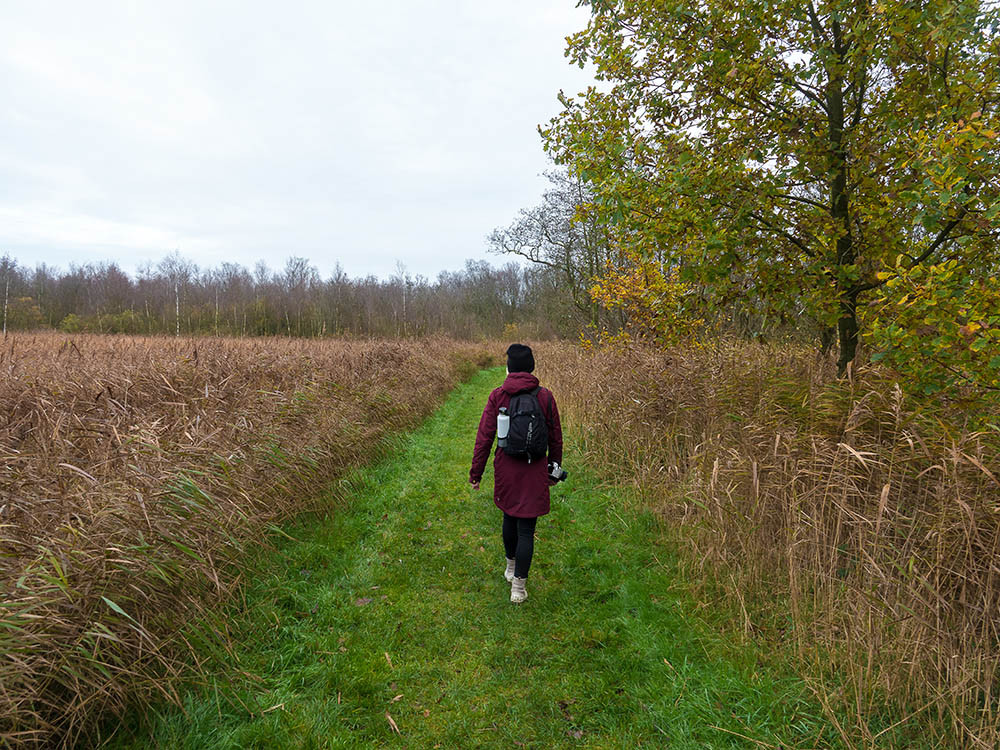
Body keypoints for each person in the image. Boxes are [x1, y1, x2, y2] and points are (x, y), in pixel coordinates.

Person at [469, 343, 563, 603]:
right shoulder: (545, 396)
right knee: (527, 529)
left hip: (507, 468)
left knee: (509, 517)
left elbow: (485, 437)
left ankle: (510, 566)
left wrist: (476, 472)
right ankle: (519, 588)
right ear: (531, 367)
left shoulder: (498, 395)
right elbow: (556, 437)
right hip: (534, 470)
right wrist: (554, 470)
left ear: (509, 367)